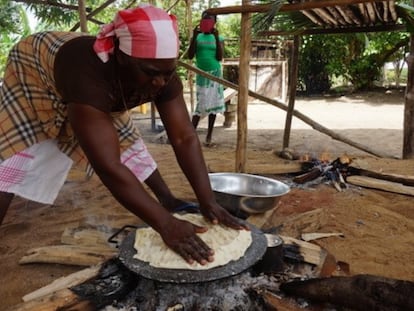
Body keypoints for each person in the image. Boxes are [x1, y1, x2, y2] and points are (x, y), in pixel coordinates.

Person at [0, 4, 247, 265]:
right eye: (151, 73)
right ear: (121, 56)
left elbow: (184, 137)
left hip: (99, 85)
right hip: (33, 70)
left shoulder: (159, 70)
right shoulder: (86, 76)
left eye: (168, 73)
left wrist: (207, 200)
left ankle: (168, 200)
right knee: (16, 155)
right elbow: (108, 166)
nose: (160, 83)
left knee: (128, 141)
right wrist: (165, 225)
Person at [188, 12, 225, 147]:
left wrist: (216, 38)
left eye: (210, 20)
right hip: (201, 73)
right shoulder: (197, 37)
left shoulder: (219, 37)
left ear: (214, 23)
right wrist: (194, 37)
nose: (207, 22)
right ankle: (191, 135)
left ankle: (209, 135)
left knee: (213, 105)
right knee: (201, 104)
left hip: (215, 73)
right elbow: (190, 56)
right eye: (204, 19)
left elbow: (220, 57)